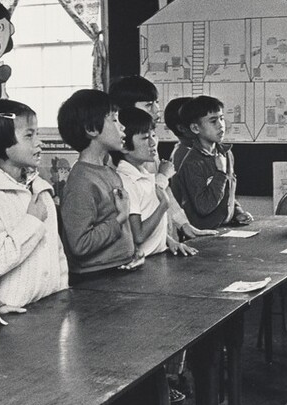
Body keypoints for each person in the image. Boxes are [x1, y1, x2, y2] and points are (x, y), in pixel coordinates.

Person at [0, 99, 68, 310]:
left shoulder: (40, 189)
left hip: (51, 306)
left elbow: (57, 252)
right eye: (29, 135)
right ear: (0, 140)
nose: (38, 142)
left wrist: (62, 291)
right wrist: (32, 222)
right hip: (12, 313)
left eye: (37, 133)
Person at [109, 77, 215, 241]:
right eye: (149, 104)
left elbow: (163, 191)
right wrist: (163, 177)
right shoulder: (120, 151)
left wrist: (184, 225)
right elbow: (138, 206)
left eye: (156, 102)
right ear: (127, 109)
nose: (157, 109)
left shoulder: (147, 144)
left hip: (158, 239)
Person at [57, 89, 137, 281]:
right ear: (91, 128)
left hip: (117, 271)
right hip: (95, 279)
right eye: (114, 119)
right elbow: (80, 244)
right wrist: (121, 218)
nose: (123, 127)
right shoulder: (82, 182)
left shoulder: (108, 171)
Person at [112, 107, 198, 259]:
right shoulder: (127, 180)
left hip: (157, 256)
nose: (153, 143)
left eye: (153, 135)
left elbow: (148, 216)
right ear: (124, 146)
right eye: (145, 138)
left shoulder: (145, 174)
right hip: (142, 264)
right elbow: (138, 235)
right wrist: (163, 205)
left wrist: (169, 241)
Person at [174, 95, 253, 230]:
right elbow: (204, 207)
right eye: (213, 121)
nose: (221, 125)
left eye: (221, 118)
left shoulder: (225, 153)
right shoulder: (192, 163)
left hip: (224, 229)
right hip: (202, 235)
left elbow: (226, 192)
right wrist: (220, 173)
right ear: (195, 128)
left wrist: (237, 212)